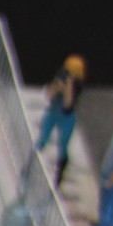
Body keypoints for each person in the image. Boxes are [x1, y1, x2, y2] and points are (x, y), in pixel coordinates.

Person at [35, 55, 85, 188]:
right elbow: (49, 95)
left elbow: (68, 105)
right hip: (53, 112)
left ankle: (59, 176)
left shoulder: (77, 85)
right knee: (42, 139)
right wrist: (56, 86)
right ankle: (32, 165)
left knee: (63, 146)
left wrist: (68, 85)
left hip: (66, 117)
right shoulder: (59, 77)